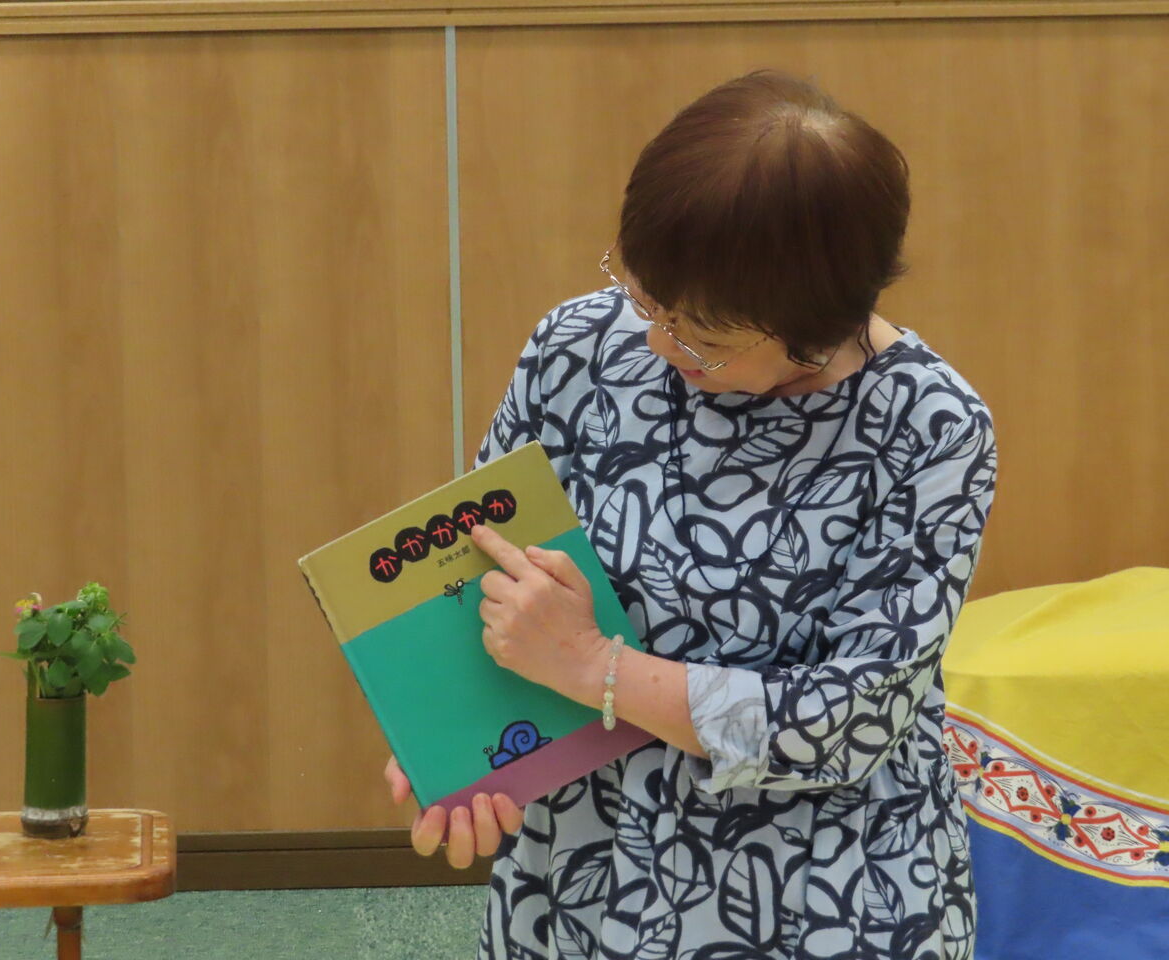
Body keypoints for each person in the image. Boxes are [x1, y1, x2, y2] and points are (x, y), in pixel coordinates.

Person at [384, 68, 997, 960]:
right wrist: (445, 738)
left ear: (817, 328)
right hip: (585, 869)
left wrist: (593, 666)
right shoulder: (579, 348)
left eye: (702, 337)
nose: (655, 342)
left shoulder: (929, 428)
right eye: (646, 299)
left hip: (824, 888)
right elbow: (483, 566)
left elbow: (849, 718)